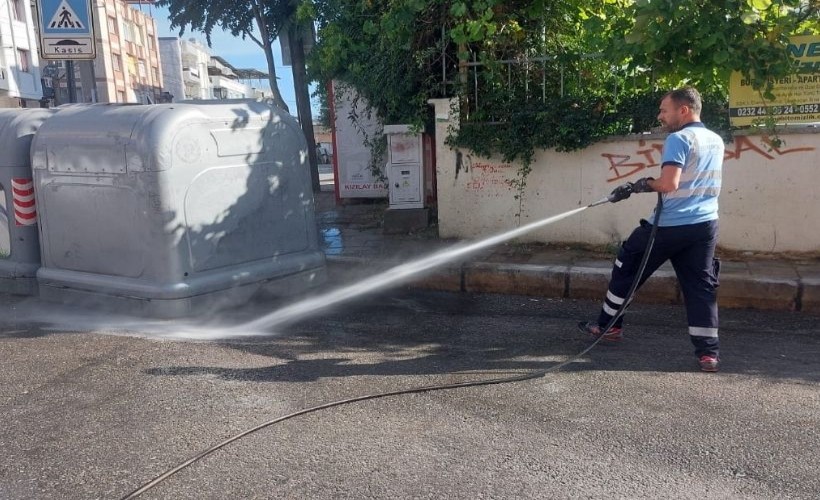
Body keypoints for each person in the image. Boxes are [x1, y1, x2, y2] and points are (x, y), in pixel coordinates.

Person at [578, 87, 724, 372]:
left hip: (669, 226)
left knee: (626, 266)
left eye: (664, 110)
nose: (660, 116)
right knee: (700, 286)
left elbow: (669, 184)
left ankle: (608, 326)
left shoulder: (679, 139)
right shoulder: (715, 140)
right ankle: (708, 353)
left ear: (683, 110)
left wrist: (642, 185)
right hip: (705, 226)